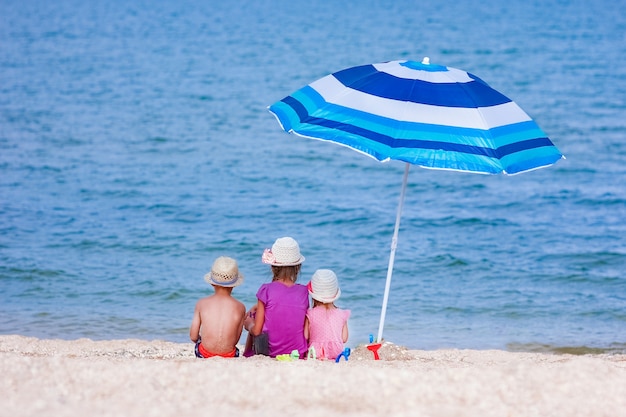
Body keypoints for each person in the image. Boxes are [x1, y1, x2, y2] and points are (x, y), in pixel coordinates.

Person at [243, 237, 309, 358]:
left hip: (271, 352)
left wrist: (249, 324)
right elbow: (289, 307)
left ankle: (247, 354)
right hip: (298, 353)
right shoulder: (304, 292)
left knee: (254, 317)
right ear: (297, 267)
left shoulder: (266, 290)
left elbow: (257, 331)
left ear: (273, 267)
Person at [189, 256, 246, 358]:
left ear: (212, 283)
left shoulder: (201, 303)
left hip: (204, 353)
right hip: (229, 355)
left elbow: (193, 336)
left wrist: (202, 340)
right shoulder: (240, 307)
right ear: (234, 284)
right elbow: (235, 340)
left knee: (200, 345)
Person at [304, 269, 350, 360]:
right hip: (336, 352)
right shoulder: (341, 314)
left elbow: (306, 336)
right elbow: (344, 338)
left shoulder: (310, 314)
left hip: (315, 352)